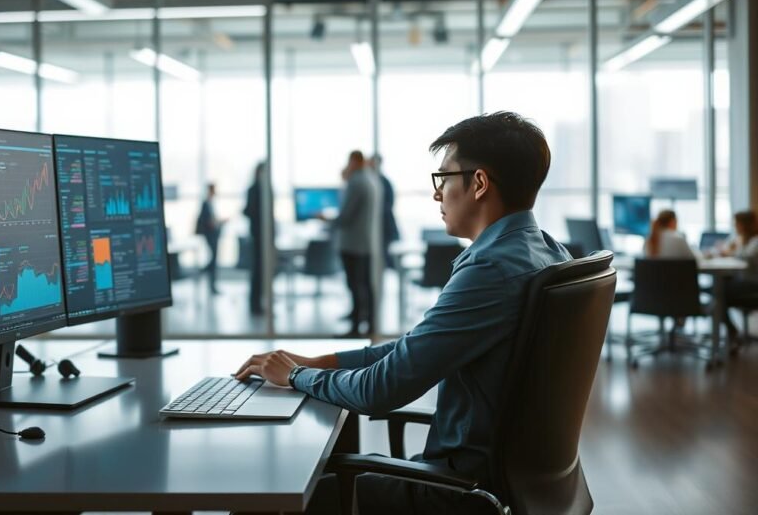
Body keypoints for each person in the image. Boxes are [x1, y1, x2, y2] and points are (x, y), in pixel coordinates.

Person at [236, 112, 569, 515]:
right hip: (515, 483)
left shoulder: (490, 270)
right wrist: (319, 362)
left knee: (259, 497)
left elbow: (380, 391)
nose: (437, 194)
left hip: (459, 492)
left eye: (443, 178)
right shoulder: (545, 251)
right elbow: (414, 350)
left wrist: (294, 376)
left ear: (478, 184)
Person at [321, 150, 380, 337]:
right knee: (364, 285)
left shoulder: (356, 182)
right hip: (366, 241)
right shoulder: (371, 179)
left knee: (355, 285)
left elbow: (345, 216)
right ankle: (368, 323)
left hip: (353, 243)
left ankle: (356, 328)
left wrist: (325, 219)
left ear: (354, 161)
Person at [721, 210, 758, 346]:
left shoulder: (755, 241)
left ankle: (732, 330)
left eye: (737, 223)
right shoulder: (739, 238)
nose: (735, 226)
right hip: (743, 282)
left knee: (719, 292)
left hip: (754, 283)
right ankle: (731, 330)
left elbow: (747, 259)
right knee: (720, 288)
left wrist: (732, 251)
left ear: (745, 225)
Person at [243, 163, 269, 316]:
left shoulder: (266, 189)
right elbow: (248, 210)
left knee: (263, 271)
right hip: (258, 236)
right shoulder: (254, 189)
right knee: (257, 272)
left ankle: (261, 302)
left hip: (265, 237)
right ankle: (255, 305)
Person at [370, 155, 400, 269]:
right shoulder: (374, 181)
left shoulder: (383, 182)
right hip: (379, 227)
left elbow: (388, 206)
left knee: (386, 259)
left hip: (384, 228)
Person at [195, 182, 225, 295]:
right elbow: (207, 221)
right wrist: (217, 223)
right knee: (213, 260)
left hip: (214, 234)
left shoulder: (211, 203)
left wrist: (220, 222)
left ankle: (211, 283)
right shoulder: (206, 203)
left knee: (214, 260)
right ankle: (202, 272)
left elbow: (212, 220)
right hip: (210, 235)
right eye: (214, 190)